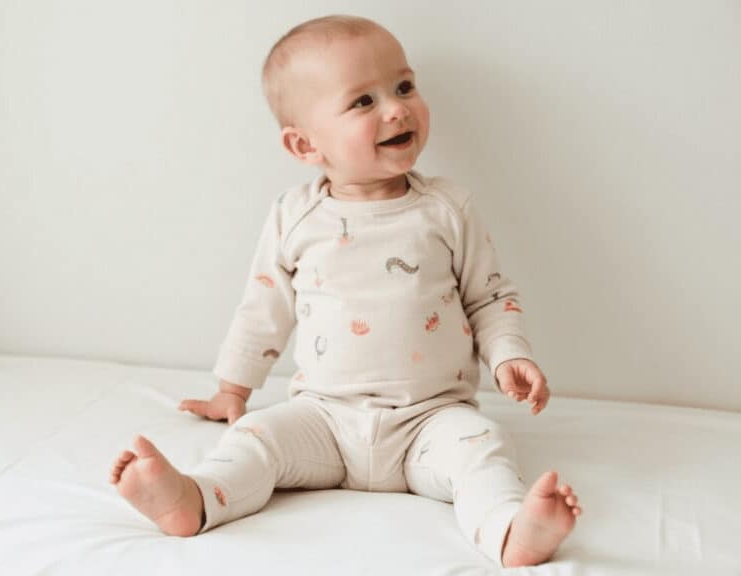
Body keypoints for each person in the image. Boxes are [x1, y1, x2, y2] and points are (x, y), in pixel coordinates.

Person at [109, 14, 581, 568]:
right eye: (363, 102)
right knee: (256, 440)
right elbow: (264, 306)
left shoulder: (448, 208)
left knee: (483, 449)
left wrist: (510, 356)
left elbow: (489, 297)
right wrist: (231, 390)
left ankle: (510, 531)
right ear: (304, 144)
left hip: (429, 420)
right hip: (323, 420)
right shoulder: (295, 216)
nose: (397, 108)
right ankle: (194, 499)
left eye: (404, 87)